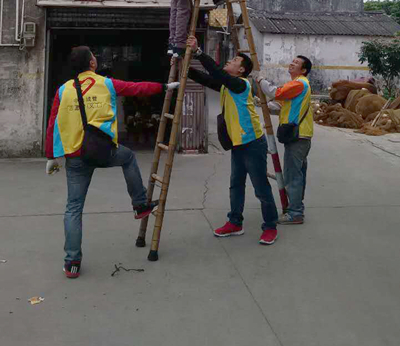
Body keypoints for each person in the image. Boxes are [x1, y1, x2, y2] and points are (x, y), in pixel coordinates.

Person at [45, 46, 179, 279]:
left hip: (74, 156)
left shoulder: (63, 90)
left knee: (73, 208)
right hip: (102, 150)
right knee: (128, 157)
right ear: (92, 63)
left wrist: (50, 156)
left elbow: (52, 123)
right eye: (94, 56)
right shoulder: (106, 84)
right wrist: (164, 87)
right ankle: (139, 205)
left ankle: (72, 263)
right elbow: (137, 89)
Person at [187, 36, 278, 245]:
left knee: (260, 187)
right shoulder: (227, 86)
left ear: (241, 70)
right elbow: (206, 79)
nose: (229, 61)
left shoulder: (241, 85)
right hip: (238, 143)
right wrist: (184, 68)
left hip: (253, 143)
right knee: (236, 185)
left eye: (235, 60)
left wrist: (199, 53)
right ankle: (235, 222)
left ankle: (270, 226)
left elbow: (217, 73)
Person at [257, 55, 313, 225]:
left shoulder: (299, 83)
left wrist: (261, 80)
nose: (292, 64)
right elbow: (281, 105)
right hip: (299, 135)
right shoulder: (295, 85)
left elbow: (276, 93)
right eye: (293, 61)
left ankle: (295, 213)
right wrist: (262, 104)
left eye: (296, 63)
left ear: (303, 70)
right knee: (297, 174)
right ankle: (296, 208)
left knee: (293, 175)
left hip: (298, 136)